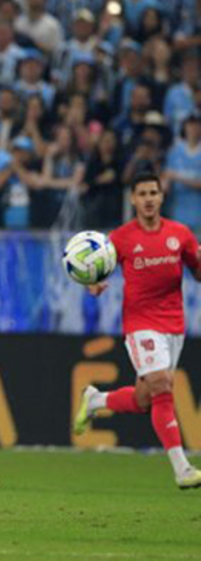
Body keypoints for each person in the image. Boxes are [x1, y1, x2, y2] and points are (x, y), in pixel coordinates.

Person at [73, 172, 201, 489]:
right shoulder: (120, 238)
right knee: (161, 384)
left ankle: (96, 401)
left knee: (146, 398)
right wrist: (95, 284)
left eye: (153, 193)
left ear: (161, 197)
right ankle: (182, 469)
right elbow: (99, 267)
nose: (148, 199)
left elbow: (197, 272)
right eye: (141, 193)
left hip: (174, 325)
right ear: (132, 199)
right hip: (140, 324)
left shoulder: (180, 234)